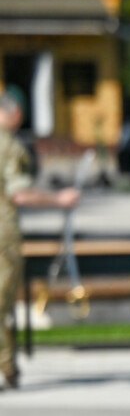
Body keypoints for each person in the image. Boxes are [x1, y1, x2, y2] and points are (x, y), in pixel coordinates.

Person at [0, 92, 79, 391]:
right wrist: (59, 199)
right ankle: (6, 367)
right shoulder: (8, 147)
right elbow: (19, 193)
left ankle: (8, 367)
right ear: (15, 114)